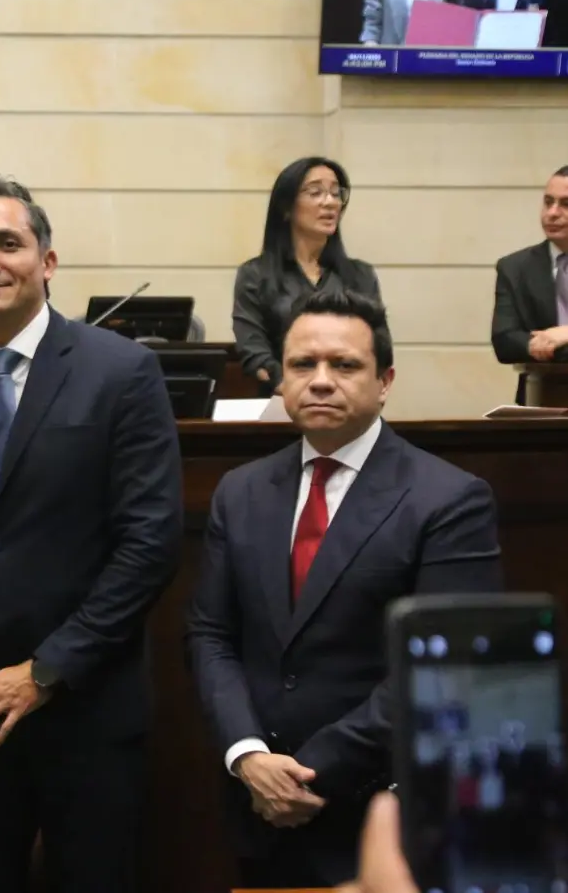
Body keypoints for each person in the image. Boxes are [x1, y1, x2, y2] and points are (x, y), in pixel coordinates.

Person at [0, 171, 183, 893]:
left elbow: (149, 542)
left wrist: (45, 671)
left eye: (6, 242)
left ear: (46, 261)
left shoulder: (122, 371)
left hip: (86, 711)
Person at [187, 288, 502, 888]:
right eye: (303, 365)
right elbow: (210, 634)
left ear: (384, 381)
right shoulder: (241, 491)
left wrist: (304, 771)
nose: (321, 381)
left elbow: (445, 668)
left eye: (345, 365)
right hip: (257, 805)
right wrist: (247, 755)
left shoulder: (448, 499)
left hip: (379, 809)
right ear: (280, 379)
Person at [232, 157, 381, 395]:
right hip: (283, 403)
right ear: (286, 208)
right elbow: (254, 352)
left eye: (336, 193)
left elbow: (378, 347)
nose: (330, 202)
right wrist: (299, 392)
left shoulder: (360, 275)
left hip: (348, 401)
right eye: (315, 193)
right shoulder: (256, 275)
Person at [492, 165, 568, 402]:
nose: (552, 213)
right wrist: (548, 343)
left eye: (565, 204)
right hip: (542, 401)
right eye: (548, 202)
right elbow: (505, 341)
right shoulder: (515, 268)